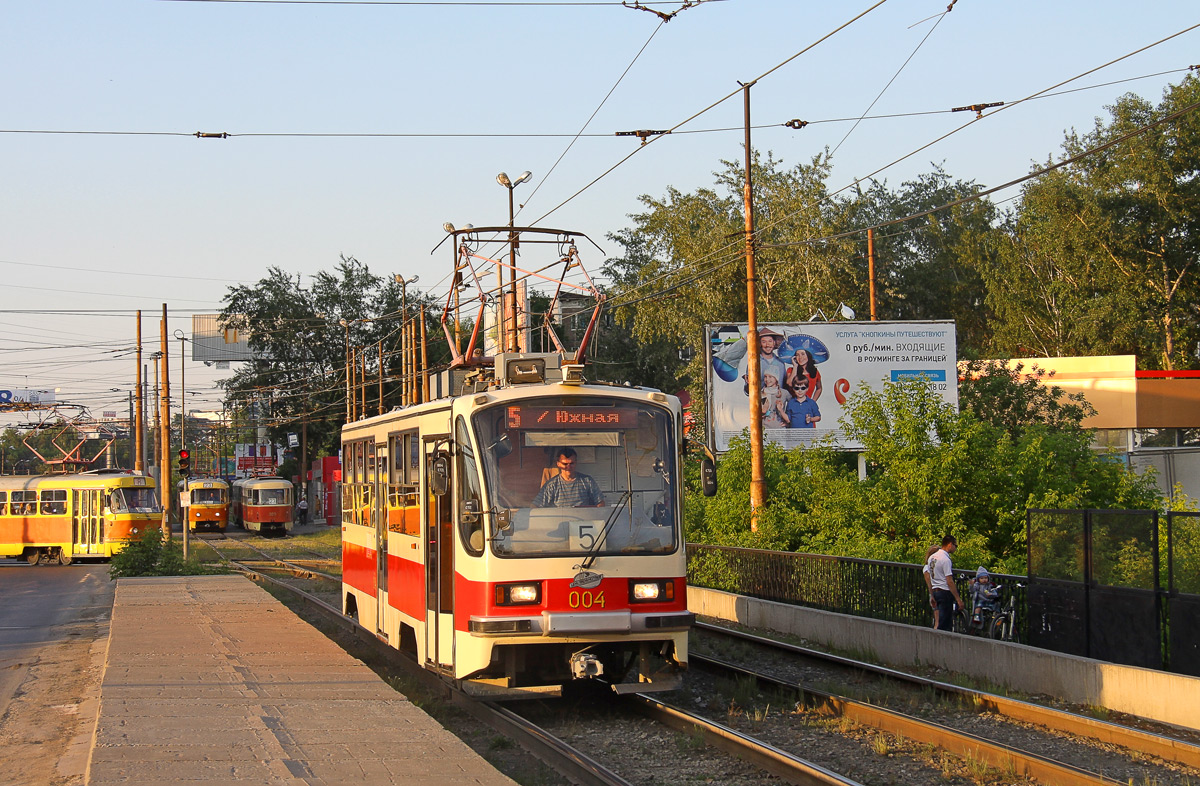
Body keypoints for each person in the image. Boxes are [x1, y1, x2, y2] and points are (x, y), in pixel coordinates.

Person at [533, 447, 605, 508]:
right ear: (558, 464)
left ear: (576, 462)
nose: (568, 467)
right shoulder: (551, 485)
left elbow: (601, 503)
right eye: (565, 464)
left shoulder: (587, 481)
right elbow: (535, 506)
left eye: (571, 463)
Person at [927, 535, 962, 632]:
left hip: (935, 591)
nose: (955, 548)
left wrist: (931, 594)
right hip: (944, 591)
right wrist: (958, 599)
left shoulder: (932, 558)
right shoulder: (945, 559)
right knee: (945, 622)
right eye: (955, 546)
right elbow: (949, 580)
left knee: (940, 619)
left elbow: (930, 577)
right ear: (950, 544)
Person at [740, 327, 787, 397]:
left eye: (770, 341)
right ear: (759, 344)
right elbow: (748, 392)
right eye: (764, 342)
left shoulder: (781, 363)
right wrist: (749, 384)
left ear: (774, 343)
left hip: (778, 406)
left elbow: (784, 388)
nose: (767, 345)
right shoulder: (754, 362)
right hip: (761, 405)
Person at [921, 544, 940, 628]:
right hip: (934, 592)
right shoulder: (927, 568)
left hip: (937, 591)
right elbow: (929, 582)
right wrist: (932, 594)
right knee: (937, 616)